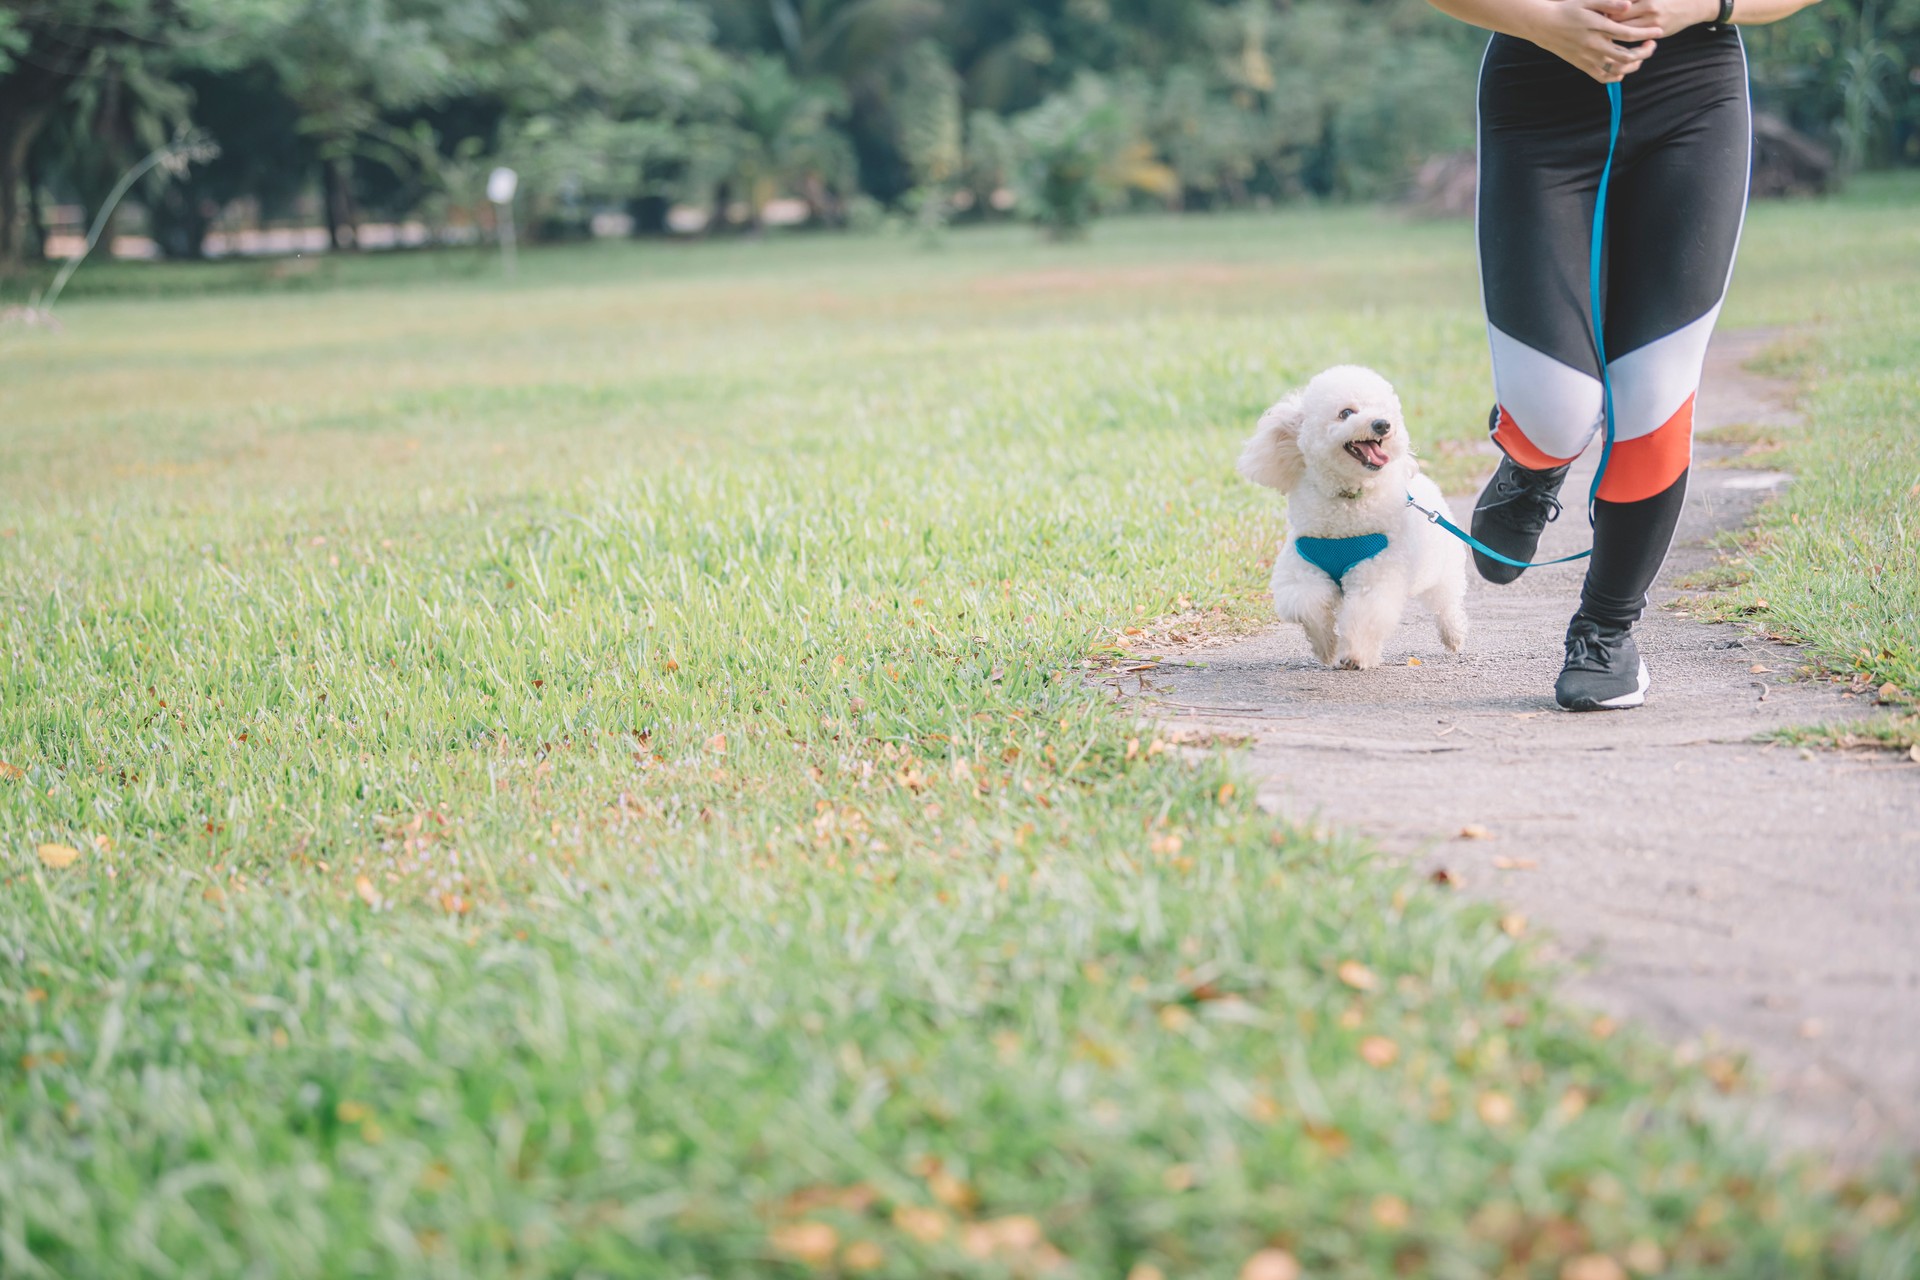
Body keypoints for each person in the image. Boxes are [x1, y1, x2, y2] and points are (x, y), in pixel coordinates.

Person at [1423, 0, 1823, 709]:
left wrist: (1703, 5)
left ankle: (1605, 630)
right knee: (1556, 411)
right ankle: (1535, 458)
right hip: (1538, 97)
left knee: (1656, 392)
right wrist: (1545, 22)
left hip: (1693, 100)